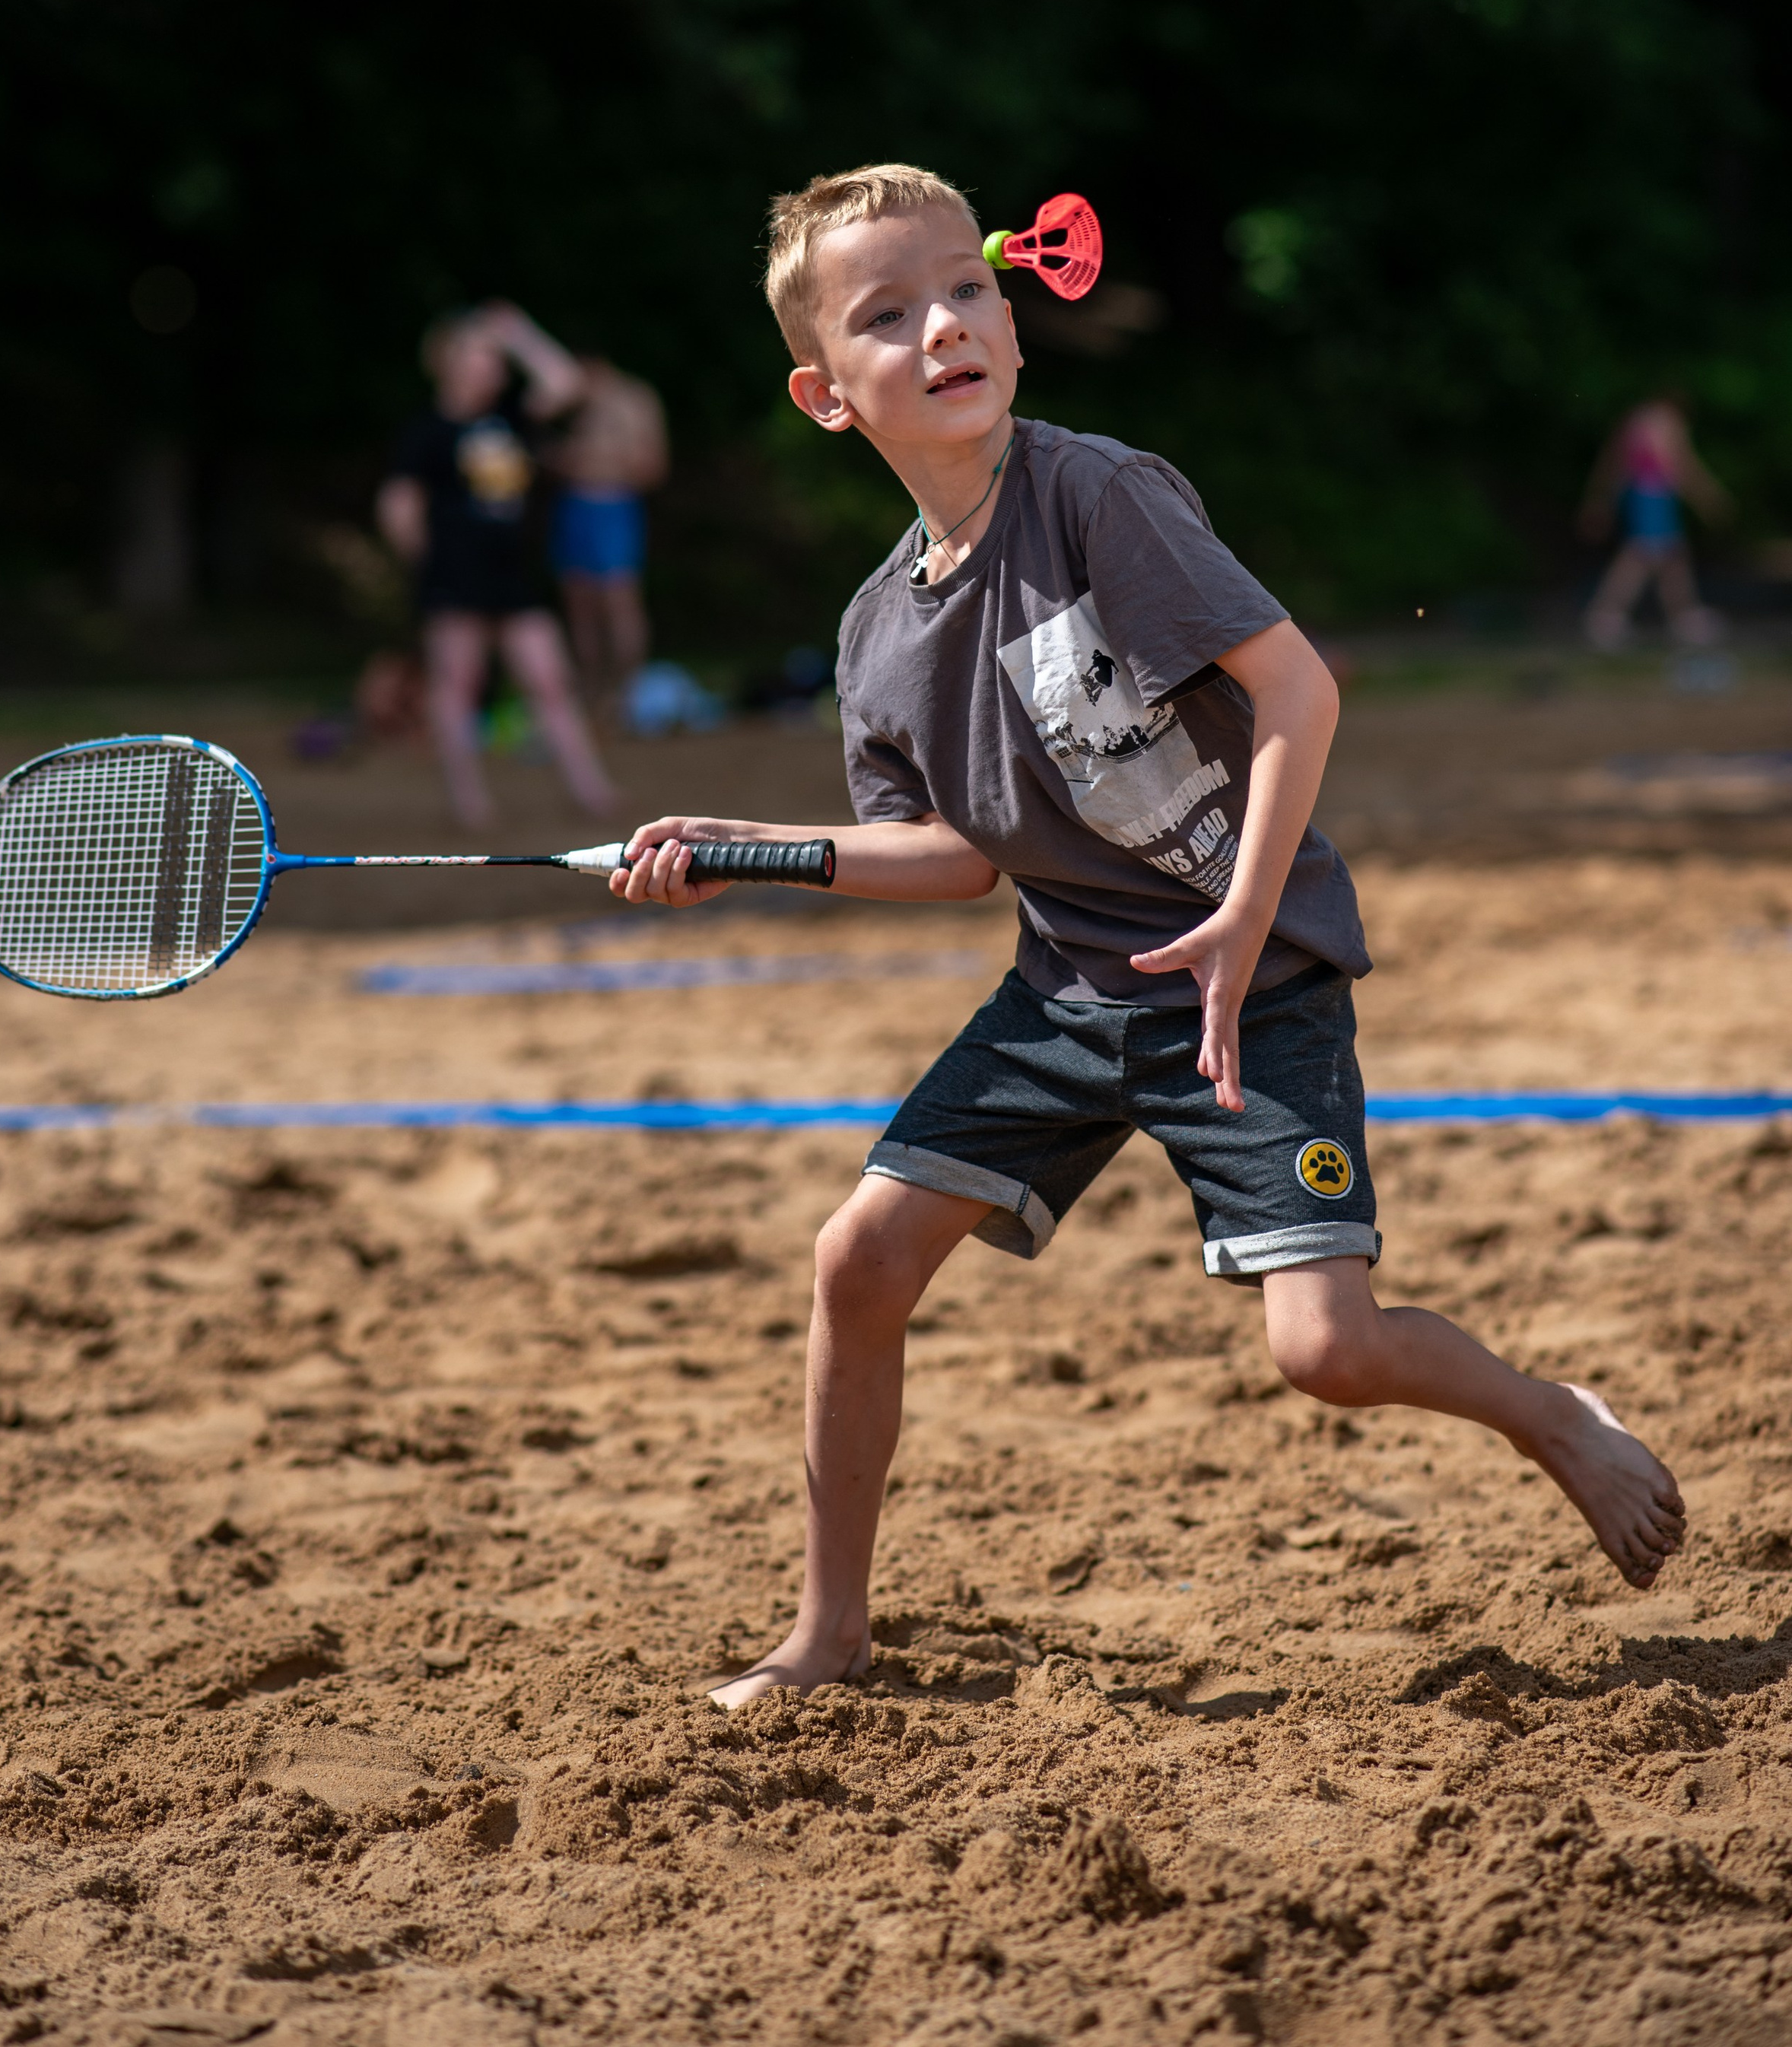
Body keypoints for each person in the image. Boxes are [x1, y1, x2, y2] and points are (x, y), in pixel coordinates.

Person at [606, 162, 1686, 1709]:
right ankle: (829, 1633)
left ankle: (1551, 1417)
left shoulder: (1093, 496)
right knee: (857, 1258)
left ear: (1011, 318)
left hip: (1254, 981)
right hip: (1068, 991)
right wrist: (755, 854)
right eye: (888, 316)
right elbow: (956, 861)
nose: (942, 329)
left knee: (1324, 1354)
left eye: (965, 292)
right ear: (824, 395)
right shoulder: (874, 635)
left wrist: (1243, 920)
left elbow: (1298, 689)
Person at [376, 304, 616, 825]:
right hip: (455, 579)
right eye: (482, 356)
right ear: (450, 362)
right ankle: (470, 803)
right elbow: (398, 507)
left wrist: (518, 334)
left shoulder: (510, 417)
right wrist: (429, 565)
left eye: (496, 359)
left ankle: (592, 790)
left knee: (550, 680)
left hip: (512, 575)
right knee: (458, 685)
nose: (495, 368)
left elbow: (566, 383)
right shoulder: (427, 431)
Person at [544, 358, 669, 705]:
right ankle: (590, 691)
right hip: (573, 506)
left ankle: (628, 692)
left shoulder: (635, 399)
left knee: (619, 600)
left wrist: (595, 458)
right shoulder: (566, 400)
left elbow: (652, 467)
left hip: (615, 507)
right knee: (579, 603)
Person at [1581, 394, 1728, 651]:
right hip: (1654, 495)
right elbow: (1680, 464)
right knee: (1641, 554)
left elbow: (1613, 463)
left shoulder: (1637, 420)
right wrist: (1708, 496)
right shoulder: (1667, 421)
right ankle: (1606, 616)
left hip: (1639, 494)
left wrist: (1602, 499)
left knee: (1671, 555)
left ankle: (1682, 615)